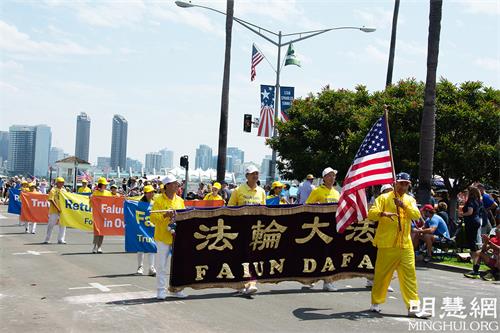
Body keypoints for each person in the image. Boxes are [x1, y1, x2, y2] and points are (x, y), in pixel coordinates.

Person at [368, 172, 431, 318]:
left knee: (410, 277)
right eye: (401, 183)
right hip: (387, 244)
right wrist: (383, 214)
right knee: (382, 276)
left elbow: (416, 215)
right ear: (395, 183)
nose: (403, 186)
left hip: (405, 245)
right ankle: (375, 303)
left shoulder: (410, 200)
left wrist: (403, 206)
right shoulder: (383, 198)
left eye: (406, 184)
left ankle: (413, 308)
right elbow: (371, 214)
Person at [228, 165, 266, 295]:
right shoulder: (238, 190)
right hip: (240, 229)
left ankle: (252, 282)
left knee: (253, 256)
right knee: (240, 256)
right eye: (252, 174)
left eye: (256, 174)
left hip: (256, 229)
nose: (255, 176)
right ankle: (241, 283)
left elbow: (263, 210)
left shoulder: (261, 191)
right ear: (247, 176)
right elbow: (230, 208)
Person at [150, 175, 186, 299]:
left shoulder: (180, 200)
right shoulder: (158, 200)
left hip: (177, 237)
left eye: (177, 183)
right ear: (167, 186)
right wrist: (165, 215)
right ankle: (160, 290)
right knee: (161, 265)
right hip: (162, 237)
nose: (177, 185)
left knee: (178, 265)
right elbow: (153, 218)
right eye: (174, 183)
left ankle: (176, 289)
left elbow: (184, 216)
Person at [305, 167, 340, 292]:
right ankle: (310, 279)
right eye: (329, 175)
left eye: (333, 175)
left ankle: (328, 281)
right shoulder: (317, 191)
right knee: (317, 254)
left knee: (330, 255)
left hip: (332, 228)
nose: (332, 177)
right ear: (324, 178)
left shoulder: (336, 193)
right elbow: (308, 206)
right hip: (319, 228)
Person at [366, 184, 395, 292]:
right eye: (387, 191)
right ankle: (371, 279)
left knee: (388, 261)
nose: (390, 193)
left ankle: (384, 282)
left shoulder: (396, 202)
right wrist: (382, 214)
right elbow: (372, 215)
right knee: (375, 258)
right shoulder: (379, 201)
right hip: (378, 235)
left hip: (392, 237)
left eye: (391, 190)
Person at [463, 186, 484, 279]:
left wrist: (461, 214)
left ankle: (475, 269)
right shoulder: (478, 200)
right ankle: (475, 267)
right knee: (473, 244)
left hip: (471, 222)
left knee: (473, 245)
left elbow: (470, 212)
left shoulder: (471, 200)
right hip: (476, 221)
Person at [137, 185, 156, 276]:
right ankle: (140, 267)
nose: (151, 194)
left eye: (152, 192)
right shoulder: (139, 204)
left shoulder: (154, 203)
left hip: (151, 228)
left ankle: (151, 268)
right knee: (141, 248)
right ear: (145, 193)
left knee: (151, 248)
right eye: (149, 192)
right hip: (142, 228)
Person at [43, 177, 67, 244]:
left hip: (62, 211)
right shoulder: (53, 190)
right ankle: (47, 239)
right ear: (57, 183)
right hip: (54, 210)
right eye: (60, 182)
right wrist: (57, 208)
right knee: (51, 225)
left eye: (62, 182)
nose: (61, 184)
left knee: (63, 225)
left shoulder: (64, 190)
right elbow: (51, 200)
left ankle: (61, 239)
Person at [91, 177, 111, 253]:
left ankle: (99, 247)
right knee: (97, 231)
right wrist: (91, 199)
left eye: (106, 185)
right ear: (100, 185)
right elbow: (91, 204)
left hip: (104, 215)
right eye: (104, 185)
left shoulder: (108, 193)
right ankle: (95, 246)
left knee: (102, 231)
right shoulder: (95, 193)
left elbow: (112, 203)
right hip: (97, 215)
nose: (105, 186)